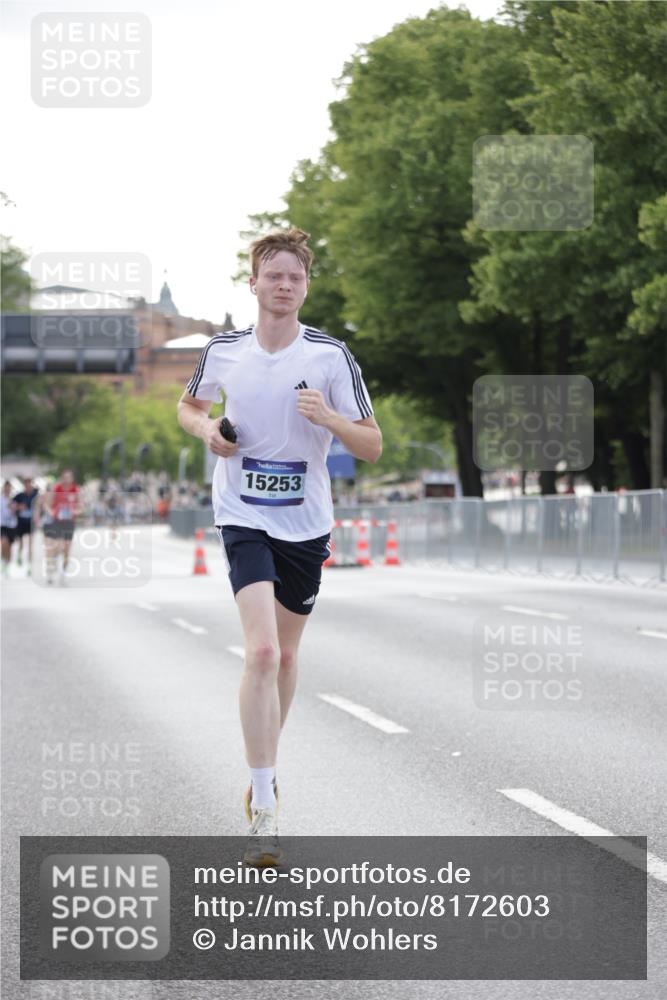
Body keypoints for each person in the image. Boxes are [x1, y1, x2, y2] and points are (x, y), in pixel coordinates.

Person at [177, 227, 381, 865]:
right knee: (262, 651)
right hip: (242, 512)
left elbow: (372, 445)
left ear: (306, 287)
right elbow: (188, 407)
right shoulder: (224, 351)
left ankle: (263, 767)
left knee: (286, 658)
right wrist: (208, 431)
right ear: (254, 283)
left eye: (296, 277)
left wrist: (331, 419)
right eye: (275, 275)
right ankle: (264, 801)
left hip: (306, 521)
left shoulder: (330, 356)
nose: (285, 286)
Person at [51, 469, 80, 585]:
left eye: (69, 477)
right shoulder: (57, 488)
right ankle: (54, 558)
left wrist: (77, 511)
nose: (67, 479)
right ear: (62, 478)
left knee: (67, 550)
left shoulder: (75, 489)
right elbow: (49, 502)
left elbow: (81, 505)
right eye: (65, 477)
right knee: (59, 546)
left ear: (72, 479)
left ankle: (63, 574)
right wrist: (53, 512)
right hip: (58, 521)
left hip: (69, 522)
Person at [13, 476, 39, 571]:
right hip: (21, 522)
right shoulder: (19, 496)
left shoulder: (35, 495)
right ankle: (19, 555)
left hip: (31, 522)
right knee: (21, 543)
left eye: (29, 484)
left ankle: (29, 566)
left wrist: (37, 514)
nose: (28, 486)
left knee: (30, 544)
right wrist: (19, 507)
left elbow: (40, 505)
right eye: (26, 485)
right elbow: (11, 505)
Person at [1, 481, 18, 576]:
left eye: (9, 488)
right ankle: (3, 561)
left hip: (11, 526)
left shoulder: (14, 500)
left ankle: (7, 565)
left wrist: (12, 507)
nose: (7, 490)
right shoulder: (1, 500)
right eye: (6, 488)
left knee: (9, 547)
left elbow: (15, 513)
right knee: (4, 543)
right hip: (2, 525)